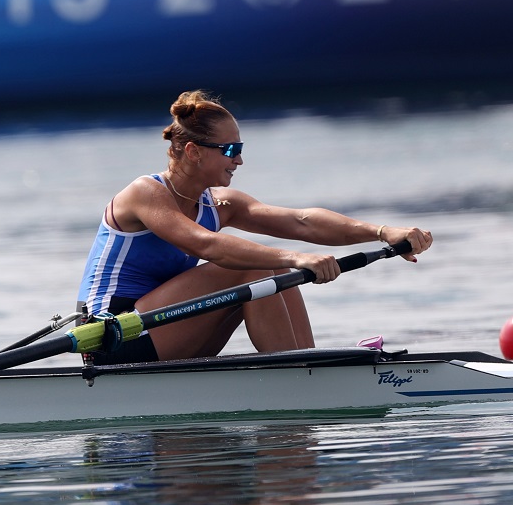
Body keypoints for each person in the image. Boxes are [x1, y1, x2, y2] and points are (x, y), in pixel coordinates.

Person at [77, 90, 432, 365]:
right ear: (194, 151)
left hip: (158, 327)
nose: (239, 159)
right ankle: (298, 375)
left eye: (240, 148)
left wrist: (382, 232)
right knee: (254, 267)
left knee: (275, 270)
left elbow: (302, 222)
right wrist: (297, 257)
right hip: (110, 335)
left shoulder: (220, 204)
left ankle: (307, 363)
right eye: (230, 149)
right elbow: (206, 246)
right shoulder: (145, 193)